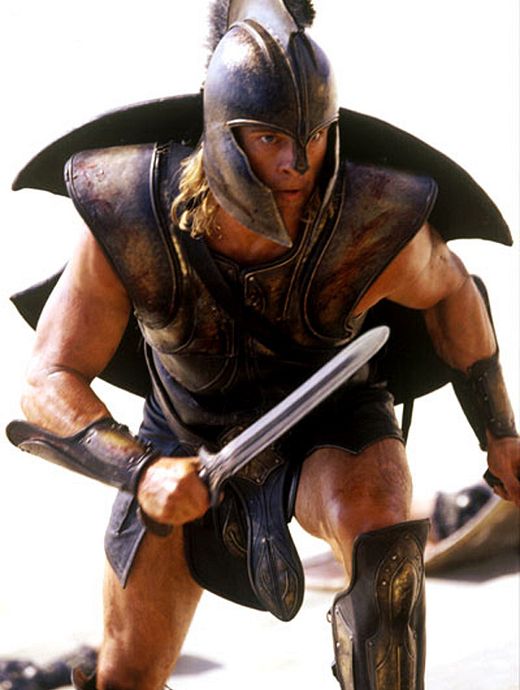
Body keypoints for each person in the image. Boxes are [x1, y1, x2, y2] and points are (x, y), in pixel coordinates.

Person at [8, 1, 519, 689]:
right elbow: (47, 378)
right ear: (223, 133)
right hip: (182, 434)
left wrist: (499, 433)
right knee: (126, 674)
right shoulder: (132, 210)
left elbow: (453, 291)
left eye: (314, 136)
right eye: (271, 138)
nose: (297, 162)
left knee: (383, 545)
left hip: (333, 421)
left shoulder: (371, 218)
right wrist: (141, 471)